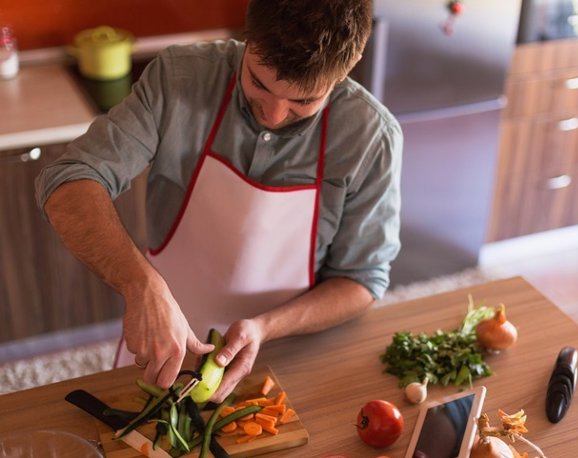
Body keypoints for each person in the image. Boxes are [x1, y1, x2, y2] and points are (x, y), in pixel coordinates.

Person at [35, 0, 402, 402]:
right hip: (162, 345)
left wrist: (264, 327)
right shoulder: (180, 78)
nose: (274, 115)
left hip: (287, 355)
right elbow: (68, 181)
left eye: (303, 101)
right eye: (259, 83)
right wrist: (140, 285)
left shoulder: (371, 137)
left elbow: (362, 279)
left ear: (349, 66)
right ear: (247, 36)